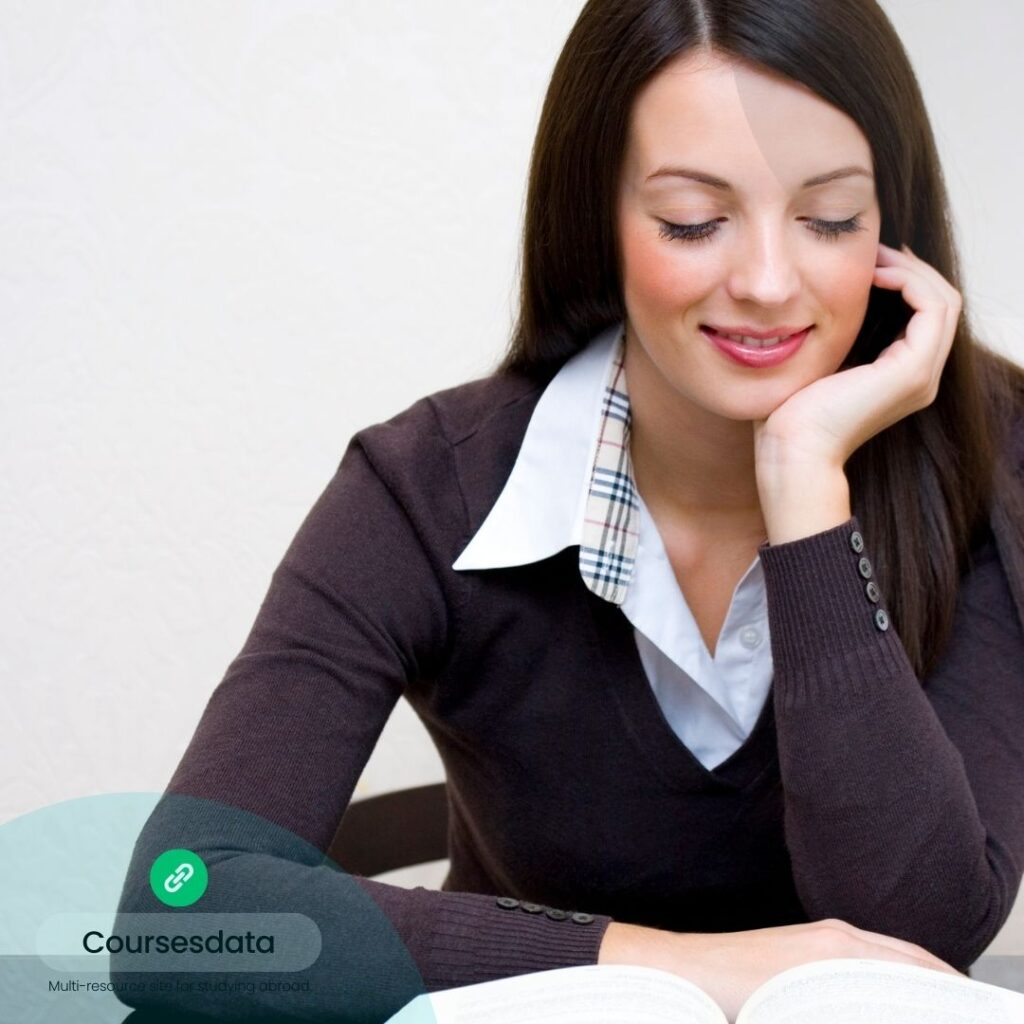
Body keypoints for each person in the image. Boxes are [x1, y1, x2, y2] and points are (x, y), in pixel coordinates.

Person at [112, 1, 1024, 1022]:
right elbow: (177, 915)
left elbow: (917, 932)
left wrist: (808, 489)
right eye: (692, 218)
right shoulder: (426, 486)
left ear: (891, 226)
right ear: (599, 217)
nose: (769, 283)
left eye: (827, 219)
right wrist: (675, 966)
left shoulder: (991, 456)